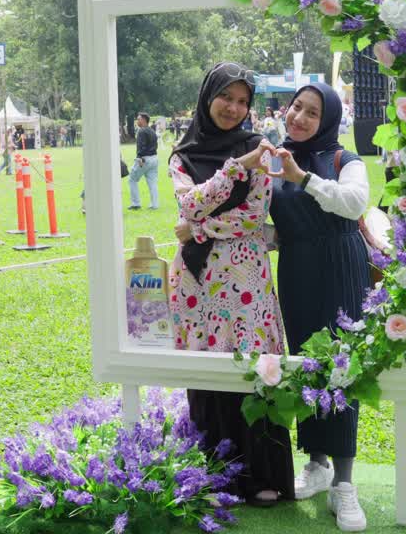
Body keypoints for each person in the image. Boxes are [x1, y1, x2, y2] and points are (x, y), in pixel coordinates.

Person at [168, 62, 292, 505]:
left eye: (242, 101)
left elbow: (253, 216)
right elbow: (188, 202)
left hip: (244, 279)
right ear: (208, 97)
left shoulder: (260, 148)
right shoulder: (183, 155)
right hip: (197, 282)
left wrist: (198, 229)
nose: (233, 108)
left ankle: (261, 475)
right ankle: (212, 473)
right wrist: (236, 167)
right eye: (226, 97)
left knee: (253, 367)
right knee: (207, 369)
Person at [269, 82, 371, 531]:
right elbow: (276, 224)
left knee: (340, 366)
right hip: (296, 269)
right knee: (305, 363)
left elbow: (353, 203)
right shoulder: (275, 158)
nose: (300, 117)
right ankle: (316, 463)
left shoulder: (344, 159)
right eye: (297, 107)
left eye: (312, 112)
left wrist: (303, 178)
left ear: (328, 118)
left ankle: (344, 482)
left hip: (340, 265)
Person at [127, 112, 160, 211]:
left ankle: (136, 203)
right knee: (152, 182)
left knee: (132, 179)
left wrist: (139, 158)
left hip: (144, 159)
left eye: (138, 119)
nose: (137, 121)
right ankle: (154, 205)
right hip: (154, 158)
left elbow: (142, 146)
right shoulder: (152, 131)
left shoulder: (141, 131)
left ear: (144, 120)